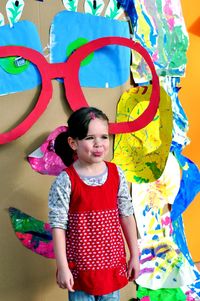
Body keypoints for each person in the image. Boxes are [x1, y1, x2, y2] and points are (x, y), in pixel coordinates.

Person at [48, 107, 140, 301]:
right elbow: (58, 226)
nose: (99, 144)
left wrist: (135, 255)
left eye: (104, 137)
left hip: (112, 269)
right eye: (90, 138)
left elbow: (126, 214)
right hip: (79, 272)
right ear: (73, 143)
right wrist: (63, 267)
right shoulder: (66, 181)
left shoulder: (117, 174)